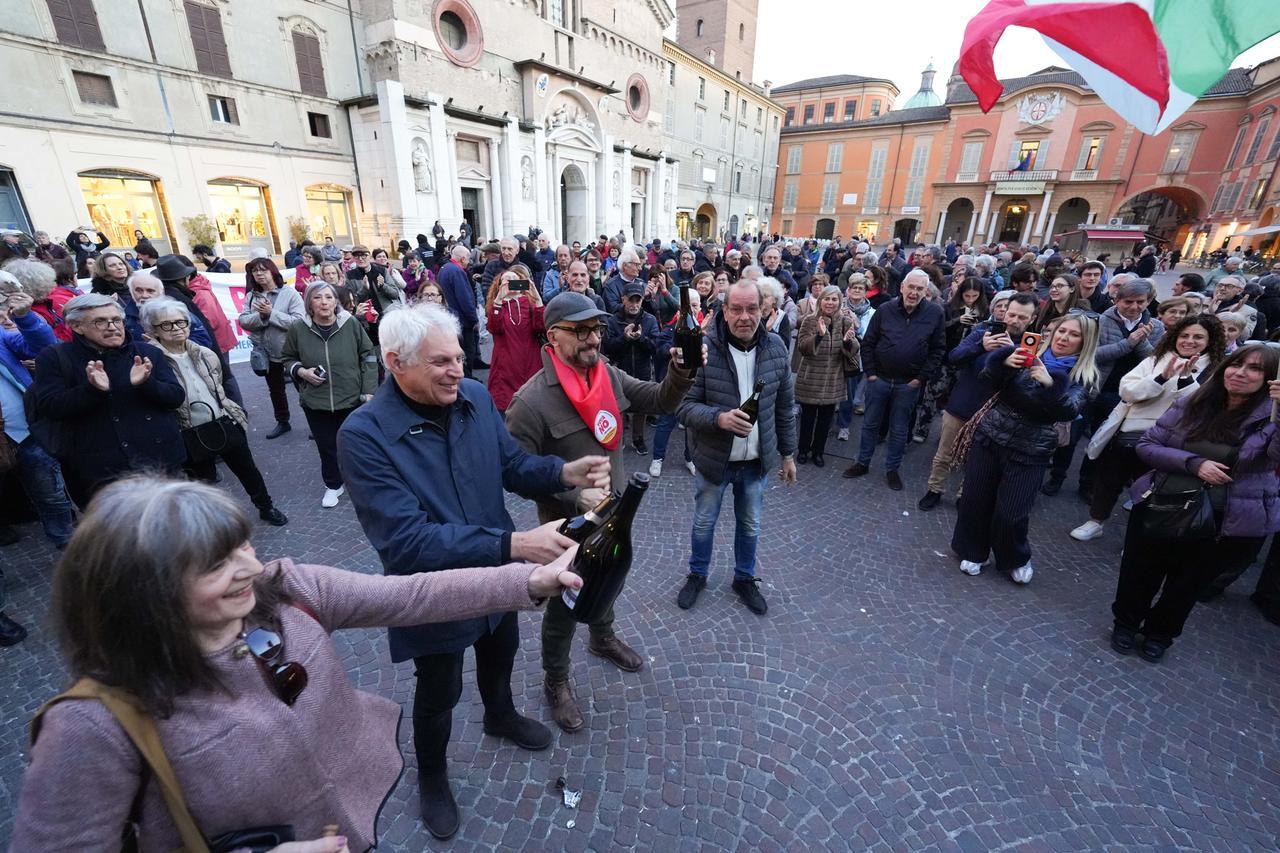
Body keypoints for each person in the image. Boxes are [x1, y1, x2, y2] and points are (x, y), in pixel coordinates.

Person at [9, 475, 583, 850]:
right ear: (139, 593)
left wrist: (528, 581)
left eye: (242, 544)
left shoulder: (285, 589)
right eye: (214, 564)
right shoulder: (94, 724)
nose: (247, 567)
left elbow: (412, 596)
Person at [336, 302, 610, 839]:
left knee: (500, 649)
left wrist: (562, 471)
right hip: (433, 590)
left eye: (460, 357)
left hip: (497, 572)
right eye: (441, 362)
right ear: (395, 362)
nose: (458, 370)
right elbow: (407, 543)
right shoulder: (363, 434)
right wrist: (512, 543)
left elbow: (510, 466)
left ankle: (500, 714)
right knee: (439, 688)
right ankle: (432, 778)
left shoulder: (476, 398)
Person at [504, 290, 694, 731]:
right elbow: (513, 473)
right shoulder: (530, 402)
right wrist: (573, 496)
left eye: (597, 330)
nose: (594, 339)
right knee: (563, 604)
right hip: (565, 529)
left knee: (609, 581)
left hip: (617, 515)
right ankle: (556, 679)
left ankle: (602, 637)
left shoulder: (605, 373)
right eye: (582, 331)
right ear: (553, 336)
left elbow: (659, 399)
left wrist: (681, 373)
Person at [1110, 345, 1280, 662]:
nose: (1241, 373)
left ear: (1270, 378)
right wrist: (1194, 463)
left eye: (1255, 369)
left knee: (1187, 585)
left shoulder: (1271, 418)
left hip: (1222, 520)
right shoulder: (1196, 400)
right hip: (1163, 500)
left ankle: (1160, 634)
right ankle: (1126, 623)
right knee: (1140, 570)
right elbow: (1148, 445)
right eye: (1237, 364)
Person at [675, 279, 798, 615]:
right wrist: (719, 419)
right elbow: (682, 406)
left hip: (756, 461)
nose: (745, 316)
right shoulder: (703, 349)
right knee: (703, 522)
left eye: (752, 308)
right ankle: (697, 574)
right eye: (737, 309)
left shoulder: (775, 348)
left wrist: (788, 454)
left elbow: (785, 406)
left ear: (765, 309)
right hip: (715, 459)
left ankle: (744, 578)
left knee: (750, 524)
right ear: (724, 311)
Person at [951, 312, 1100, 583]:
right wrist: (1003, 362)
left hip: (1031, 448)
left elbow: (1069, 410)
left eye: (1074, 334)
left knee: (1011, 513)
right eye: (1062, 331)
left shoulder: (1084, 376)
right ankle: (973, 550)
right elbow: (988, 380)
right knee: (974, 500)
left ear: (1085, 341)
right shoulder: (1028, 353)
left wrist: (1050, 384)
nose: (1064, 338)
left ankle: (1015, 557)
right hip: (992, 435)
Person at [1070, 314, 1225, 542]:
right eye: (1184, 335)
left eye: (1198, 337)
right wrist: (1160, 378)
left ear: (1210, 341)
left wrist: (1184, 381)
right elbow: (1127, 390)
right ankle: (1096, 521)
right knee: (1108, 479)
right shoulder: (1157, 359)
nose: (1189, 341)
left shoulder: (1215, 371)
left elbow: (1199, 408)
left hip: (1169, 441)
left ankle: (1136, 535)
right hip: (1129, 431)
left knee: (1150, 490)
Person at [140, 297, 287, 526]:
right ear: (153, 329)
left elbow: (218, 385)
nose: (177, 328)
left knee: (248, 471)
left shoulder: (204, 353)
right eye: (167, 324)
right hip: (189, 432)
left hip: (223, 420)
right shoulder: (153, 362)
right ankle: (210, 522)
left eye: (181, 322)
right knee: (203, 483)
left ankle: (266, 507)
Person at [29, 294, 185, 506]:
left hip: (161, 464)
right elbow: (50, 406)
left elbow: (175, 397)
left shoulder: (146, 352)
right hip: (101, 475)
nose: (112, 327)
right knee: (123, 538)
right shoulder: (55, 357)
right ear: (76, 326)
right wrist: (92, 390)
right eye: (100, 321)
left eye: (116, 320)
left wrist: (147, 384)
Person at [917, 292, 1038, 510]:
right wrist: (981, 347)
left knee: (976, 462)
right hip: (962, 405)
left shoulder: (1029, 346)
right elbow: (954, 357)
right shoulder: (983, 332)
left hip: (992, 415)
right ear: (1003, 312)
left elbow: (1025, 384)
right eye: (1012, 314)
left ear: (1032, 319)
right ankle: (934, 489)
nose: (1015, 321)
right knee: (944, 454)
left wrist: (1010, 353)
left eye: (1022, 317)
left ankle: (964, 495)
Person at [1044, 279, 1162, 498]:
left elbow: (1155, 362)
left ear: (1148, 302)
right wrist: (1127, 344)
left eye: (1140, 302)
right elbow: (1089, 354)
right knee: (1070, 437)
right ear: (1117, 300)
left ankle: (1087, 483)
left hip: (1124, 395)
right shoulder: (1100, 321)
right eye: (1128, 301)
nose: (1134, 307)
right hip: (1091, 388)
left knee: (1102, 441)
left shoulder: (1155, 328)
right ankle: (1057, 476)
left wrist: (1141, 342)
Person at [843, 269, 946, 491]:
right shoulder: (886, 309)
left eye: (920, 289)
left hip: (908, 384)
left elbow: (938, 350)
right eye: (911, 287)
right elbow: (869, 342)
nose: (914, 292)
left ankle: (892, 469)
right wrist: (870, 373)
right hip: (879, 379)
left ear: (925, 291)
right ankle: (862, 462)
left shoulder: (935, 313)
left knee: (899, 430)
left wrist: (920, 378)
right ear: (902, 287)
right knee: (870, 424)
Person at [282, 281, 377, 508]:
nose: (324, 302)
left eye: (328, 297)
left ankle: (362, 483)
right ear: (309, 304)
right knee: (326, 446)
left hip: (351, 398)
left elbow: (369, 355)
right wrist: (302, 372)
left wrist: (369, 390)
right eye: (317, 298)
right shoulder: (298, 328)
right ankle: (334, 485)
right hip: (316, 401)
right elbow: (287, 359)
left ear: (336, 302)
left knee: (355, 445)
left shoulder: (351, 324)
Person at [0, 284, 73, 552]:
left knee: (51, 494)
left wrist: (26, 317)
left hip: (25, 431)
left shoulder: (1, 336)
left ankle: (67, 543)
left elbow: (42, 346)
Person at [914, 279, 990, 444]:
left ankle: (947, 435)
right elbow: (939, 330)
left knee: (956, 398)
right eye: (967, 295)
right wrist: (957, 321)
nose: (970, 299)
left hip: (968, 361)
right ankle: (922, 429)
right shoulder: (949, 308)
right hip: (946, 358)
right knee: (931, 394)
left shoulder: (984, 311)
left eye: (974, 296)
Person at [238, 258, 305, 439]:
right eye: (254, 271)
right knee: (275, 390)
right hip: (266, 352)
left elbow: (299, 322)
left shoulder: (289, 294)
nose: (258, 274)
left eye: (262, 270)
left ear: (272, 271)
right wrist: (261, 317)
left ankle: (315, 422)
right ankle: (282, 421)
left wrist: (271, 314)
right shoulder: (252, 296)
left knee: (303, 387)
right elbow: (243, 320)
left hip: (291, 351)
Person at [793, 285, 859, 467]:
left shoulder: (845, 321)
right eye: (827, 299)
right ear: (820, 300)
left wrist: (848, 342)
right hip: (811, 378)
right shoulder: (809, 321)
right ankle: (803, 449)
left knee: (825, 420)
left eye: (834, 299)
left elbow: (853, 351)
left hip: (833, 379)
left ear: (839, 301)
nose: (830, 303)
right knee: (807, 418)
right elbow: (803, 348)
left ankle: (818, 451)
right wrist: (819, 336)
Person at [601, 281, 664, 453]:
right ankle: (618, 438)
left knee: (641, 408)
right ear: (623, 299)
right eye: (631, 300)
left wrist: (641, 338)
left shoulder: (650, 320)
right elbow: (608, 347)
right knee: (618, 407)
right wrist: (625, 338)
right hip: (620, 370)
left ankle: (638, 439)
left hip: (643, 370)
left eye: (638, 300)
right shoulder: (613, 321)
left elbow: (656, 347)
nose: (635, 304)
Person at [484, 265, 545, 412]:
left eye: (514, 279)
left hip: (530, 360)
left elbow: (541, 326)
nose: (511, 282)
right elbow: (494, 328)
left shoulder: (529, 303)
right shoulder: (497, 305)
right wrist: (499, 299)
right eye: (506, 280)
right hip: (506, 364)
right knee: (506, 406)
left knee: (532, 403)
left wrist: (537, 299)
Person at [437, 244, 481, 375]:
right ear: (463, 259)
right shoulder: (457, 271)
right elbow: (465, 298)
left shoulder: (444, 268)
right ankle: (467, 379)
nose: (468, 262)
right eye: (468, 259)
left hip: (451, 318)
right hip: (462, 320)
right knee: (467, 351)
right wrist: (474, 320)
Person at [600, 246, 644, 313]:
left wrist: (648, 297)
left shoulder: (641, 283)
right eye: (637, 265)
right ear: (625, 266)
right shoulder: (611, 285)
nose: (640, 268)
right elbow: (612, 308)